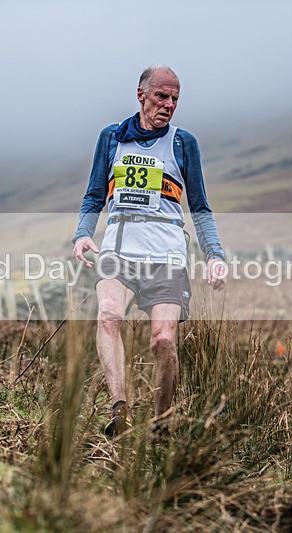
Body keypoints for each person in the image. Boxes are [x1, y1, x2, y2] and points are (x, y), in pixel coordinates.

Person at [72, 66, 227, 437]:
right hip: (119, 251)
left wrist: (215, 256)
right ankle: (120, 410)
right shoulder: (111, 137)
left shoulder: (182, 143)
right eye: (162, 96)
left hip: (168, 257)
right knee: (109, 316)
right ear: (141, 94)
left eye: (175, 99)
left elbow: (200, 207)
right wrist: (82, 233)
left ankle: (161, 424)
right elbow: (95, 194)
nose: (169, 104)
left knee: (163, 340)